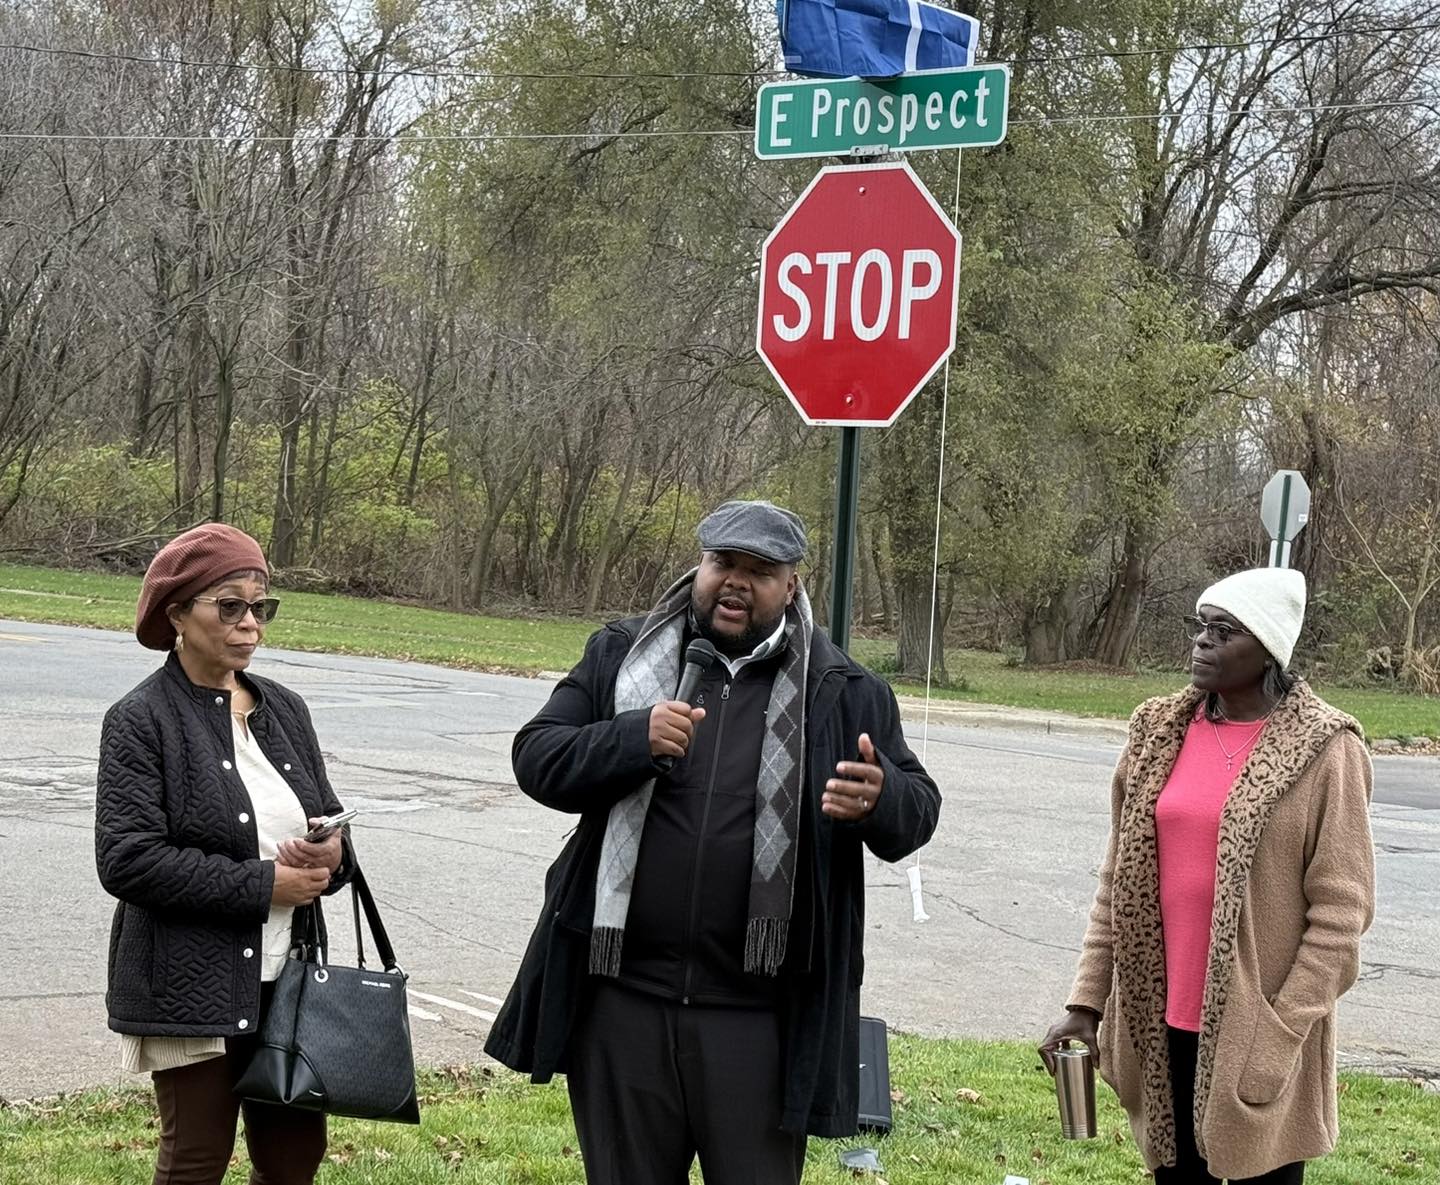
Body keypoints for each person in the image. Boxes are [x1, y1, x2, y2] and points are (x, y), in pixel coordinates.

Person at [485, 499, 941, 1185]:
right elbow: (538, 756)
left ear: (791, 584)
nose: (736, 581)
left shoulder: (842, 688)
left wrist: (881, 799)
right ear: (699, 564)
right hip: (623, 1006)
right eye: (723, 562)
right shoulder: (623, 654)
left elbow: (919, 808)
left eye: (760, 570)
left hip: (758, 1022)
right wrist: (630, 737)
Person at [1039, 567, 1375, 1183]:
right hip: (1161, 1022)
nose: (1202, 642)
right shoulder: (1157, 731)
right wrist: (1086, 1002)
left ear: (1268, 646)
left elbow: (1341, 919)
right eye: (1201, 628)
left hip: (1258, 1033)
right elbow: (1118, 880)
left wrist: (1278, 1033)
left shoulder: (1327, 750)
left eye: (1224, 631)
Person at [95, 523, 355, 1185]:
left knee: (294, 1160)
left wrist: (330, 856)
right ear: (177, 613)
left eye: (259, 606)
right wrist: (264, 883)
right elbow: (127, 858)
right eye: (229, 605)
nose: (250, 623)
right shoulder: (141, 718)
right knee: (196, 1160)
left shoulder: (285, 709)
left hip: (291, 980)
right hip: (188, 983)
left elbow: (323, 816)